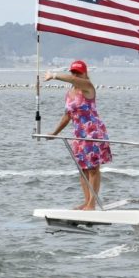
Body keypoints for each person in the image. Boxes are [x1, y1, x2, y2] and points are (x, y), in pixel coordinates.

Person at [41, 59, 111, 210]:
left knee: (93, 168)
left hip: (93, 132)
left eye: (79, 72)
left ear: (85, 73)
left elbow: (73, 80)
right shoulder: (69, 93)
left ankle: (92, 204)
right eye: (73, 72)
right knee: (83, 169)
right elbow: (67, 116)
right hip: (78, 134)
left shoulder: (87, 86)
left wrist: (53, 75)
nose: (75, 75)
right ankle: (86, 201)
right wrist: (54, 133)